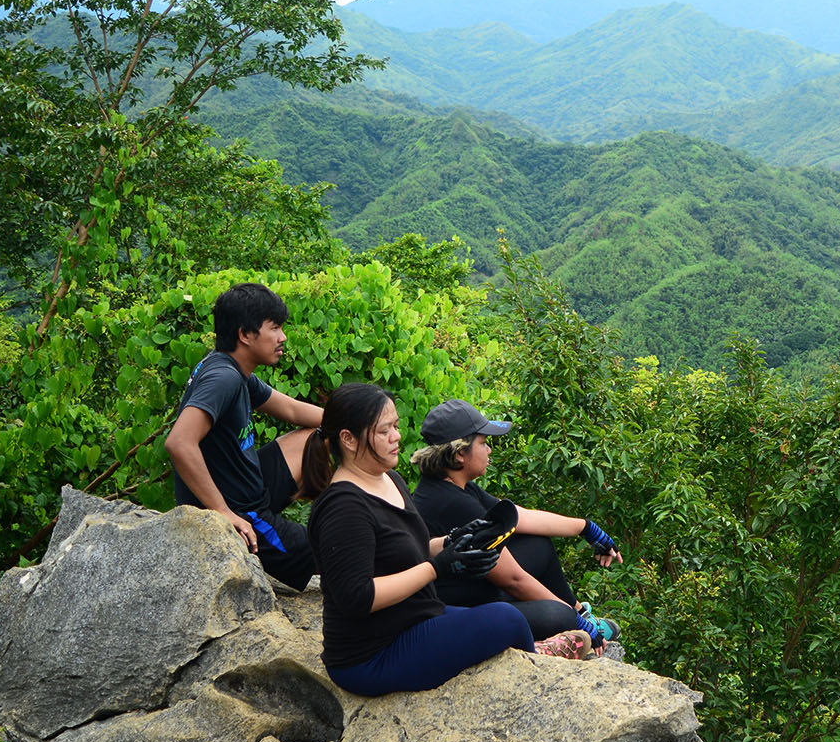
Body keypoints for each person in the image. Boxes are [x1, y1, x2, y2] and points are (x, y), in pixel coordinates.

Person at [303, 383, 592, 698]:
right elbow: (358, 596)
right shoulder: (343, 507)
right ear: (348, 439)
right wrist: (436, 568)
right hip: (372, 654)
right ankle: (539, 664)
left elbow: (403, 548)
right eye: (384, 430)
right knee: (505, 618)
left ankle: (532, 654)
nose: (397, 436)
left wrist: (451, 544)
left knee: (506, 618)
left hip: (414, 618)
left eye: (396, 426)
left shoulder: (389, 479)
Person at [409, 398, 623, 648]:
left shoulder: (456, 486)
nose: (489, 450)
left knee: (538, 545)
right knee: (560, 616)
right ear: (459, 455)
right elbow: (514, 580)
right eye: (483, 443)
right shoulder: (452, 503)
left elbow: (520, 517)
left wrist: (586, 528)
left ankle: (580, 611)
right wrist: (576, 622)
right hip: (466, 608)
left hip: (479, 588)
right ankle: (569, 624)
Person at [165, 282, 322, 589]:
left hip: (251, 487)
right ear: (246, 335)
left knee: (320, 436)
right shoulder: (223, 377)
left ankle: (345, 511)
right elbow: (179, 442)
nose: (283, 337)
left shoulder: (234, 369)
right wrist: (222, 513)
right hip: (242, 511)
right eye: (274, 328)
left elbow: (290, 410)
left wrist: (357, 420)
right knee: (331, 548)